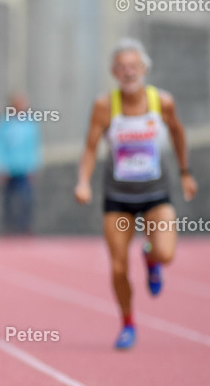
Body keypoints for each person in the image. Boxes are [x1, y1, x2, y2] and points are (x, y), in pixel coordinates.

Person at [75, 38, 197, 350]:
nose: (128, 72)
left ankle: (150, 256)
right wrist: (83, 181)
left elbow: (178, 133)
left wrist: (185, 172)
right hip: (118, 198)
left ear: (144, 68)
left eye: (134, 66)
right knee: (118, 267)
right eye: (122, 67)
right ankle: (128, 323)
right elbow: (90, 147)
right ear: (113, 72)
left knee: (166, 254)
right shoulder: (105, 106)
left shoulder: (162, 102)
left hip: (155, 192)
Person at [0, 92, 42, 235]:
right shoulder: (3, 124)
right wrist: (0, 167)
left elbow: (33, 147)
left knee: (26, 199)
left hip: (24, 169)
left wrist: (33, 166)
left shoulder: (29, 125)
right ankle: (9, 228)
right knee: (8, 201)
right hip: (8, 169)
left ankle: (25, 227)